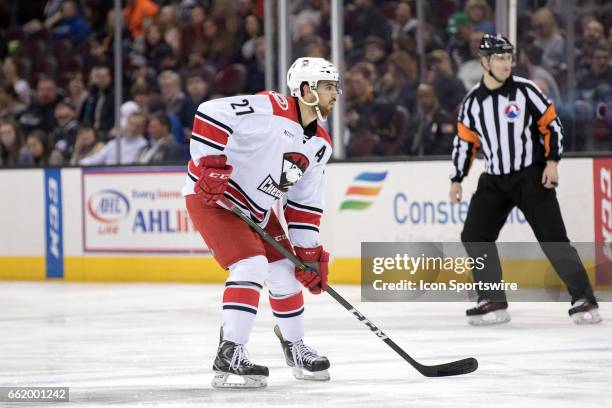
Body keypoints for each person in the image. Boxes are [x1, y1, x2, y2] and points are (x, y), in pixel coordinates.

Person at [183, 57, 339, 389]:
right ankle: (231, 350)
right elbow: (211, 112)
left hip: (256, 211)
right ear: (306, 89)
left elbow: (303, 203)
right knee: (250, 264)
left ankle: (295, 346)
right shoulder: (272, 107)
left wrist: (307, 254)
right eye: (328, 87)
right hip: (215, 200)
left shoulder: (320, 144)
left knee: (285, 270)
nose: (335, 94)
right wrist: (210, 163)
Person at [448, 34, 601, 326]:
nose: (507, 64)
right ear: (484, 62)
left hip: (531, 175)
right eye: (500, 58)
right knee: (474, 235)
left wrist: (552, 162)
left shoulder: (525, 90)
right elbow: (465, 143)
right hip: (494, 179)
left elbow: (551, 125)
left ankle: (584, 298)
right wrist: (456, 179)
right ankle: (492, 299)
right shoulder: (471, 103)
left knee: (553, 239)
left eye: (509, 58)